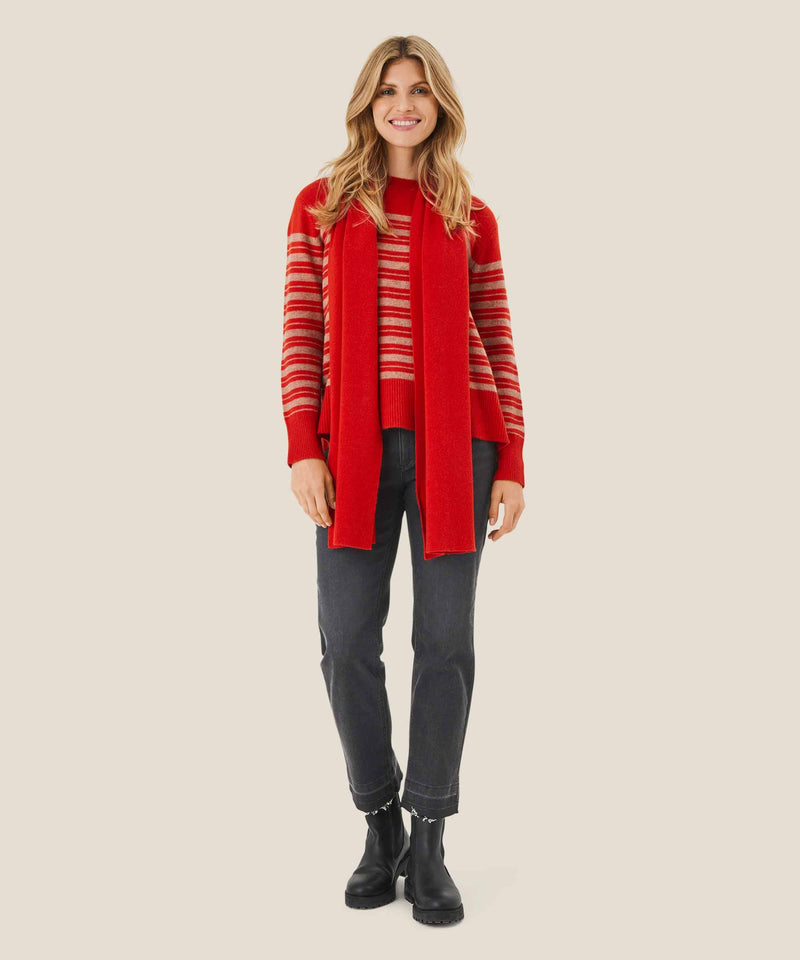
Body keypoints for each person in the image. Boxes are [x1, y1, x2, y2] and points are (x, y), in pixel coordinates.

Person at [280, 35, 526, 925]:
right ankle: (378, 816)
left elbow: (496, 333)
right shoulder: (320, 206)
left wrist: (514, 459)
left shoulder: (469, 213)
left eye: (419, 89)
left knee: (446, 642)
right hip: (348, 448)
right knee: (346, 641)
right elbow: (299, 331)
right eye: (388, 90)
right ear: (366, 104)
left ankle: (429, 838)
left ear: (440, 104)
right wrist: (302, 445)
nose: (404, 104)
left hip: (460, 448)